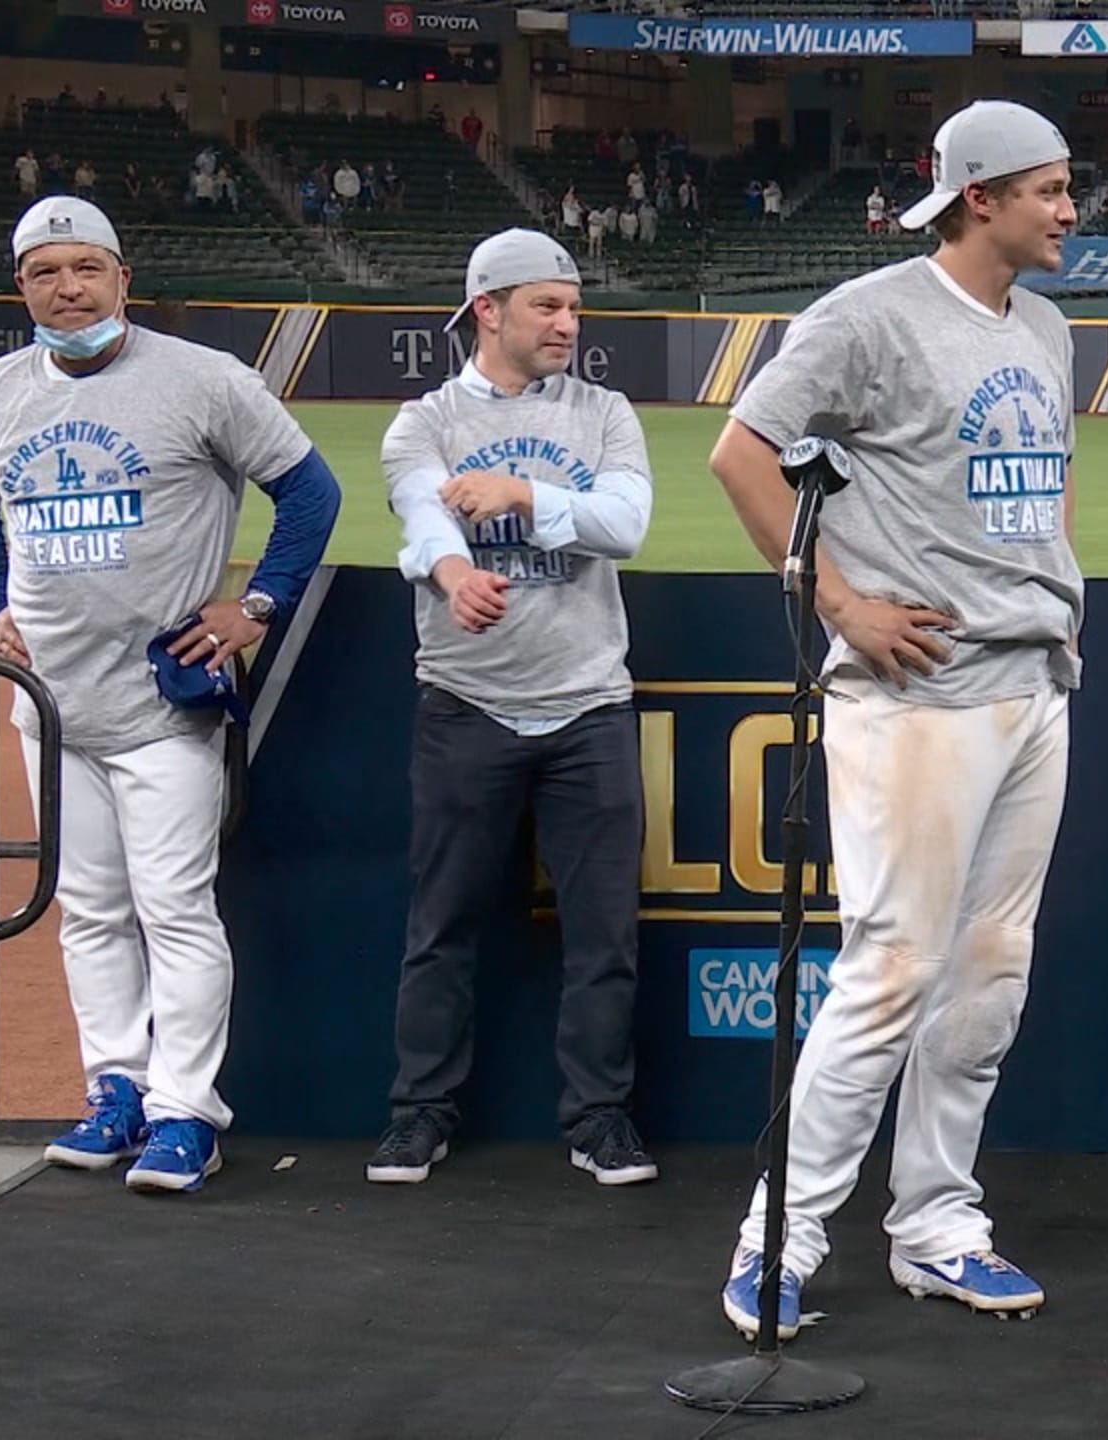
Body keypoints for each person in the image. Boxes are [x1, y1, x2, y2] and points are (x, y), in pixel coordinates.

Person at [706, 98, 1083, 1344]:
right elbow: (740, 454)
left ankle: (936, 1227)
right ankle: (780, 1239)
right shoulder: (867, 316)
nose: (1070, 210)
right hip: (916, 697)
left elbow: (1047, 491)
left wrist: (1054, 603)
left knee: (988, 975)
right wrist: (842, 604)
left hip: (1031, 687)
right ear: (980, 195)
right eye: (1049, 190)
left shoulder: (1044, 329)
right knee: (893, 971)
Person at [0, 197, 342, 1193]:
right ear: (20, 285)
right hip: (51, 703)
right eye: (44, 272)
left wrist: (257, 604)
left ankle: (185, 1112)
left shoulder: (203, 381)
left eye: (85, 269)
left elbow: (310, 490)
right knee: (91, 912)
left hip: (167, 703)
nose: (67, 289)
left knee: (177, 911)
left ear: (122, 276)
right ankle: (114, 1088)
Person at [364, 229, 657, 1188]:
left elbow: (626, 525)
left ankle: (601, 1120)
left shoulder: (606, 411)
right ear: (487, 309)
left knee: (604, 931)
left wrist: (522, 494)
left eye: (573, 307)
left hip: (590, 707)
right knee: (441, 924)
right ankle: (419, 1115)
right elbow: (422, 512)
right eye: (548, 306)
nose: (568, 323)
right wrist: (453, 573)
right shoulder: (425, 421)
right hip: (466, 701)